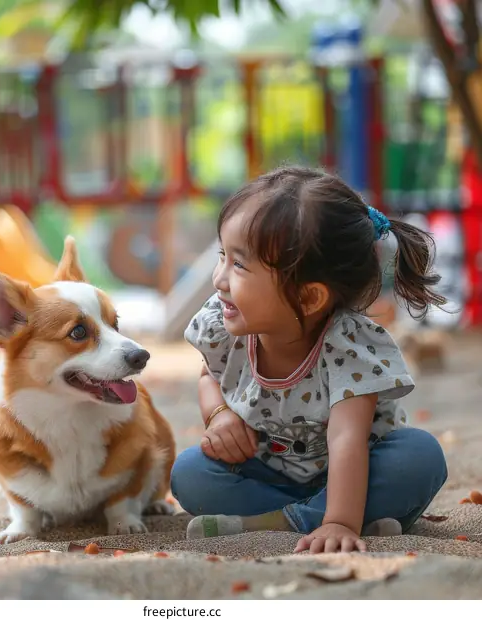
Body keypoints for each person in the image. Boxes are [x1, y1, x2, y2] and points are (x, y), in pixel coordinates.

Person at [170, 166, 448, 554]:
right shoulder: (225, 324)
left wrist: (339, 522)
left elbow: (347, 439)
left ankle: (296, 521)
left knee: (420, 458)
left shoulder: (347, 347)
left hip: (355, 472)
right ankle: (340, 519)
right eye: (222, 256)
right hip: (267, 472)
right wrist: (219, 414)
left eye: (239, 265)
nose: (219, 279)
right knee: (190, 474)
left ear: (308, 297)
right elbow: (209, 374)